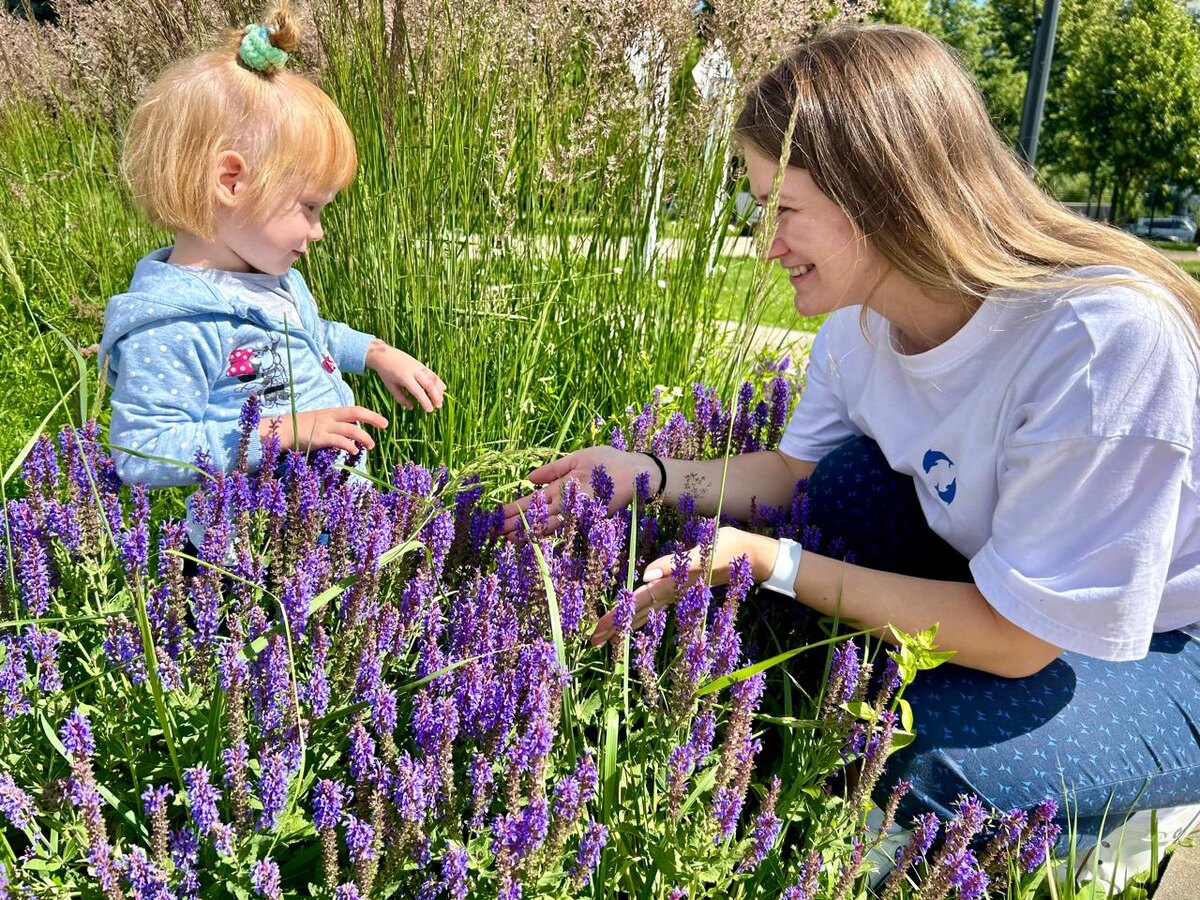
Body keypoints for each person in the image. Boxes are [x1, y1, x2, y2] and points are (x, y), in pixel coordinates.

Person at [503, 23, 1200, 881]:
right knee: (845, 489)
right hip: (1014, 590)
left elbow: (1022, 641)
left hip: (1169, 646)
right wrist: (644, 478)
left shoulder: (1097, 341)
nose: (767, 245)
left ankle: (1087, 830)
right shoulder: (857, 328)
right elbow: (793, 481)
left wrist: (772, 567)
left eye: (785, 210)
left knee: (924, 761)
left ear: (883, 195)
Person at [99, 1, 445, 509]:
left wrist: (374, 353)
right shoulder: (173, 326)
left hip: (333, 521)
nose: (319, 230)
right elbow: (141, 450)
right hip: (252, 556)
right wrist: (282, 432)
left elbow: (311, 335)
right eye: (308, 206)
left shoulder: (266, 278)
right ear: (231, 181)